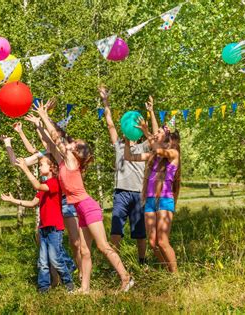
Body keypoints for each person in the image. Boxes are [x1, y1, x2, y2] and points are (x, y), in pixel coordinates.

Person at [35, 100, 134, 293]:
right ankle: (85, 288)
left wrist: (44, 116)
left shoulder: (71, 160)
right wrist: (42, 120)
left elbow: (56, 138)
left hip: (88, 207)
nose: (69, 142)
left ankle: (126, 278)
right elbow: (51, 140)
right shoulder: (65, 161)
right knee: (84, 250)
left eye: (73, 143)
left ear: (77, 151)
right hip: (80, 209)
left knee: (103, 246)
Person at [98, 86, 158, 264]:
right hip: (121, 193)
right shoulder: (118, 145)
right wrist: (105, 101)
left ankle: (142, 261)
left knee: (140, 233)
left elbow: (154, 135)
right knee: (116, 231)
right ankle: (114, 264)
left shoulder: (143, 147)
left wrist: (151, 111)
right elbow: (109, 123)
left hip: (139, 194)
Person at [1, 155, 74, 293]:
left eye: (42, 165)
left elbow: (36, 185)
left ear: (52, 166)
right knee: (42, 261)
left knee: (55, 259)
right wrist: (13, 200)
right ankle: (43, 288)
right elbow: (32, 203)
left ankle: (68, 283)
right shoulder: (43, 187)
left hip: (54, 228)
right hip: (43, 228)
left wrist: (25, 168)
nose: (39, 167)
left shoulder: (54, 183)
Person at [124, 116, 181, 272]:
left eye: (159, 132)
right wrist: (127, 140)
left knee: (162, 241)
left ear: (168, 136)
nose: (156, 134)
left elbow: (158, 149)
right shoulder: (153, 156)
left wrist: (145, 130)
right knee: (152, 243)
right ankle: (169, 272)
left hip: (164, 200)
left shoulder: (173, 153)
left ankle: (176, 276)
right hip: (150, 201)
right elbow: (128, 157)